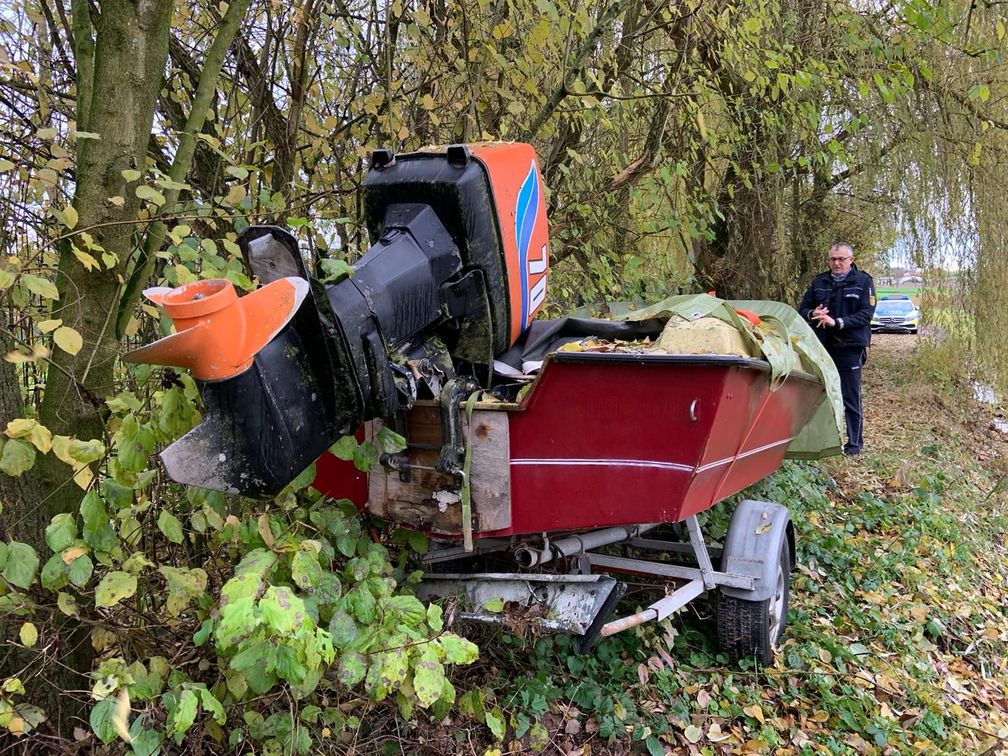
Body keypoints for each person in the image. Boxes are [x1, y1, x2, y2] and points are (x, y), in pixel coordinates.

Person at [798, 243, 876, 455]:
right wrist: (812, 314)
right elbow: (802, 309)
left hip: (850, 348)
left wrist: (837, 322)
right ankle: (820, 441)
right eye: (833, 259)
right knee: (819, 395)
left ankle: (854, 446)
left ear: (851, 259)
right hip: (822, 347)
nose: (837, 263)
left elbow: (865, 315)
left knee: (850, 398)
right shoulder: (820, 281)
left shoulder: (863, 282)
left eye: (841, 259)